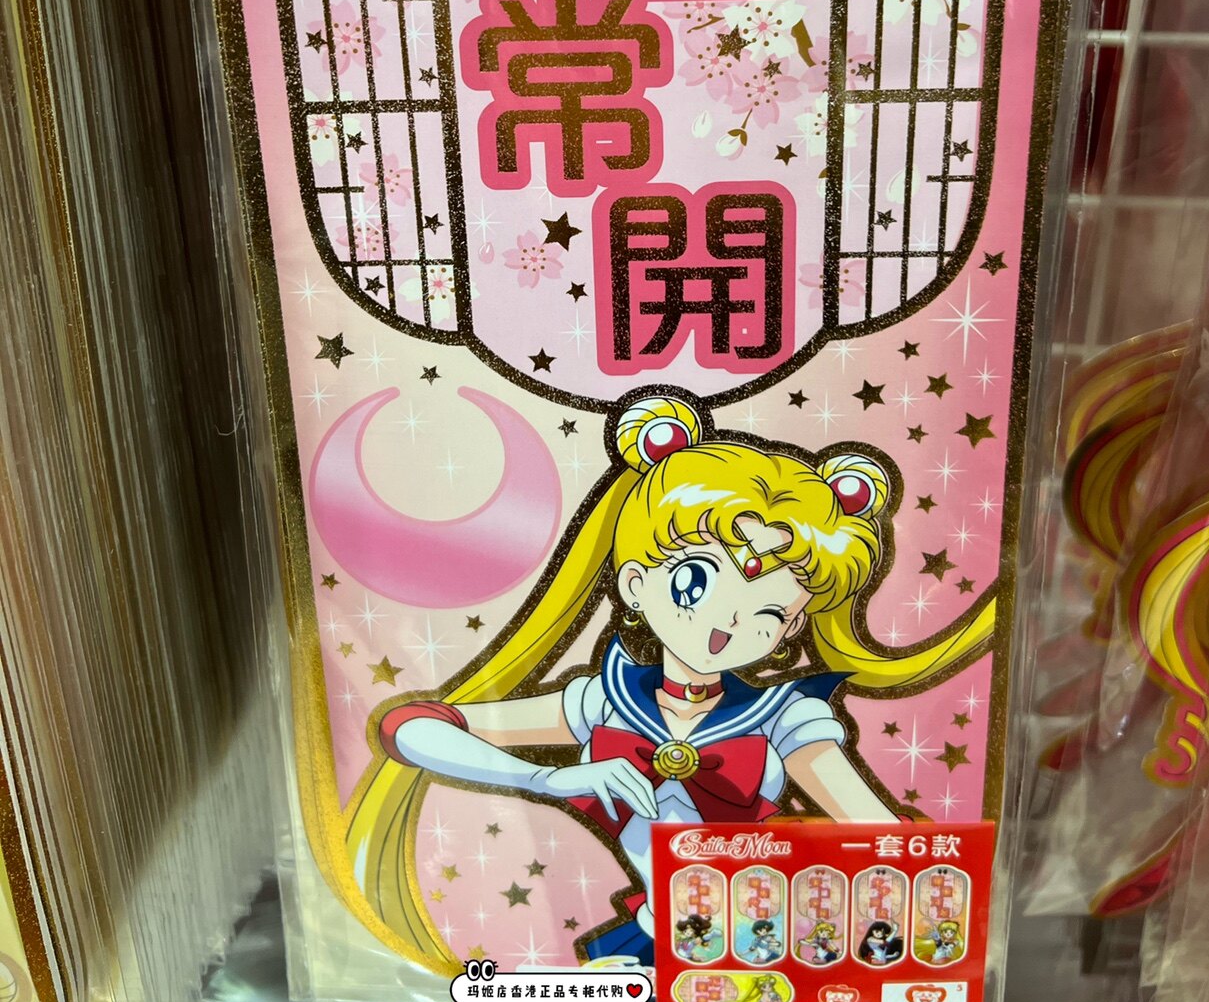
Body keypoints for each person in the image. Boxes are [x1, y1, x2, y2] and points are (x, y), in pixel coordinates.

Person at [346, 395, 994, 965]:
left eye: (768, 613)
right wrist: (547, 777)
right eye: (696, 583)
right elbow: (414, 728)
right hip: (659, 941)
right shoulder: (605, 702)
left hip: (769, 944)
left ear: (791, 630)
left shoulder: (785, 718)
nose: (727, 623)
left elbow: (884, 836)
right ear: (634, 583)